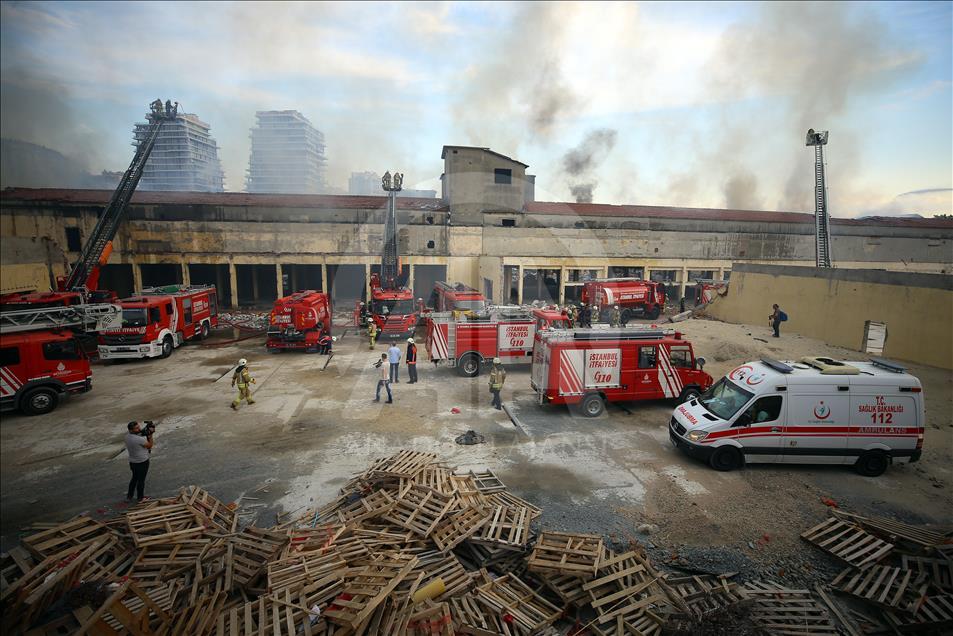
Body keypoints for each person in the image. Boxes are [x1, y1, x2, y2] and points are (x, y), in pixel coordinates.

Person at [125, 421, 153, 502]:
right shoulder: (139, 439)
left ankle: (129, 496)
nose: (139, 429)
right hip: (142, 462)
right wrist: (150, 435)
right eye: (136, 428)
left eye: (139, 427)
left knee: (134, 478)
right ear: (131, 430)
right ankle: (140, 498)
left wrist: (145, 431)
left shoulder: (127, 437)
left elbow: (139, 434)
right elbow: (150, 445)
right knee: (141, 480)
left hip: (133, 462)